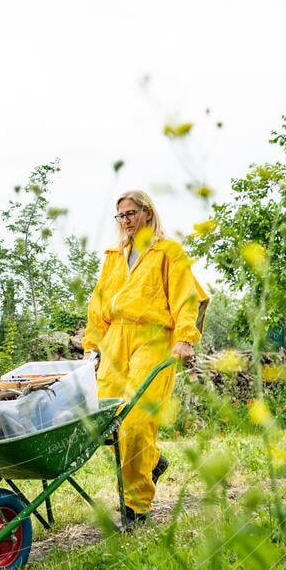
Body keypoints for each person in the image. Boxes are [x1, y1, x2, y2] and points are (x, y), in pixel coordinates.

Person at [82, 190, 208, 529]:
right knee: (107, 421)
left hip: (152, 339)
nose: (125, 221)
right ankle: (152, 462)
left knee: (136, 424)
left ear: (148, 214)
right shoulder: (113, 255)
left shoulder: (169, 252)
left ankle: (135, 507)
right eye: (120, 216)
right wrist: (92, 343)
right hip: (114, 342)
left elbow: (186, 297)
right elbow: (99, 303)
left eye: (131, 213)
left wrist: (184, 338)